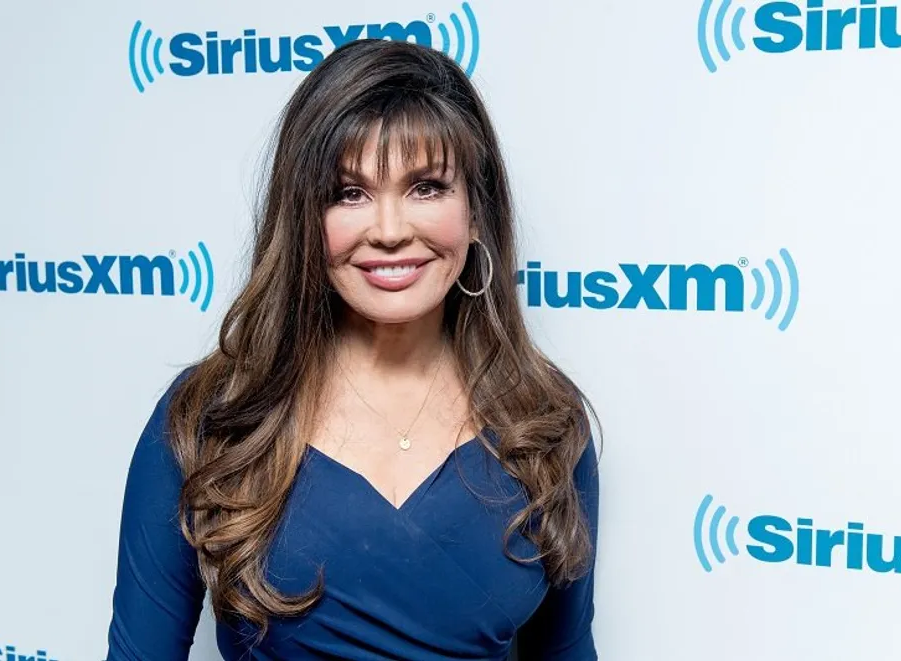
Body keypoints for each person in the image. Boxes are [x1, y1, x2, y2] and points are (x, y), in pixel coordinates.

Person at [106, 38, 601, 661]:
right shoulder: (214, 416)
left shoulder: (546, 420)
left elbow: (567, 651)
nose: (390, 231)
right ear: (303, 217)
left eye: (426, 187)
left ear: (477, 211)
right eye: (349, 193)